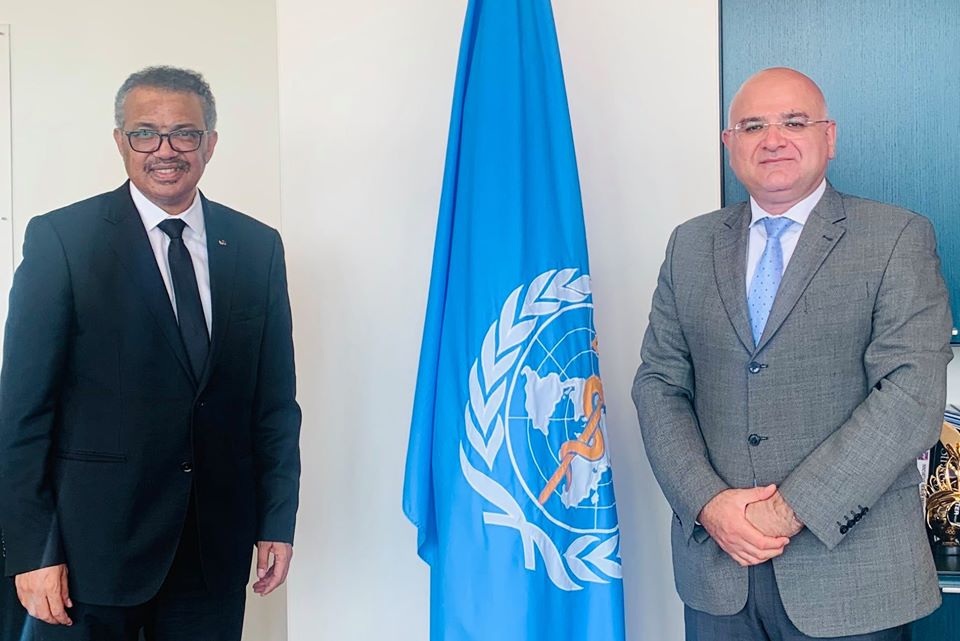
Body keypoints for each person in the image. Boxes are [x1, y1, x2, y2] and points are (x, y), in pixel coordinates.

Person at [633, 67, 953, 640]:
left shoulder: (896, 237)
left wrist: (784, 512)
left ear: (829, 137)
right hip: (719, 574)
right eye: (753, 126)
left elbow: (910, 400)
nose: (773, 139)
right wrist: (708, 504)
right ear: (730, 143)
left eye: (794, 122)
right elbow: (659, 385)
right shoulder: (690, 244)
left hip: (853, 580)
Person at [0, 66, 301, 641]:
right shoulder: (63, 240)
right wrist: (32, 549)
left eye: (184, 133)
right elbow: (22, 412)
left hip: (211, 553)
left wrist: (276, 520)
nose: (165, 150)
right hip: (87, 556)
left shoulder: (256, 246)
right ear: (121, 141)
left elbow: (274, 404)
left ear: (210, 143)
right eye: (145, 133)